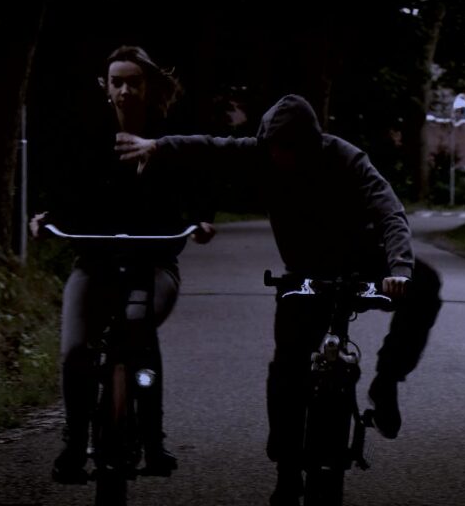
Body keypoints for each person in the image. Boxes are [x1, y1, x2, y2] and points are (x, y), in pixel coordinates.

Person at [115, 94, 442, 506]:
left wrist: (400, 269)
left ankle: (387, 381)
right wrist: (157, 146)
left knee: (426, 285)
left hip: (363, 263)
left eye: (291, 148)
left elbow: (388, 209)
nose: (282, 157)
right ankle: (287, 470)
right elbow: (210, 148)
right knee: (288, 364)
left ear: (310, 143)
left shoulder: (345, 157)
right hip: (304, 274)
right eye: (275, 148)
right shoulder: (260, 153)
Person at [31, 45, 216, 484]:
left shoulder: (168, 136)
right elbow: (67, 191)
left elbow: (196, 183)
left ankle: (153, 439)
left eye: (134, 82)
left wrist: (201, 220)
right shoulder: (87, 137)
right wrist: (45, 218)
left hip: (155, 262)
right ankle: (73, 443)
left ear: (148, 86)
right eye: (117, 82)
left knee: (138, 329)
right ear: (106, 87)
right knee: (75, 350)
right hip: (94, 262)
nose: (126, 91)